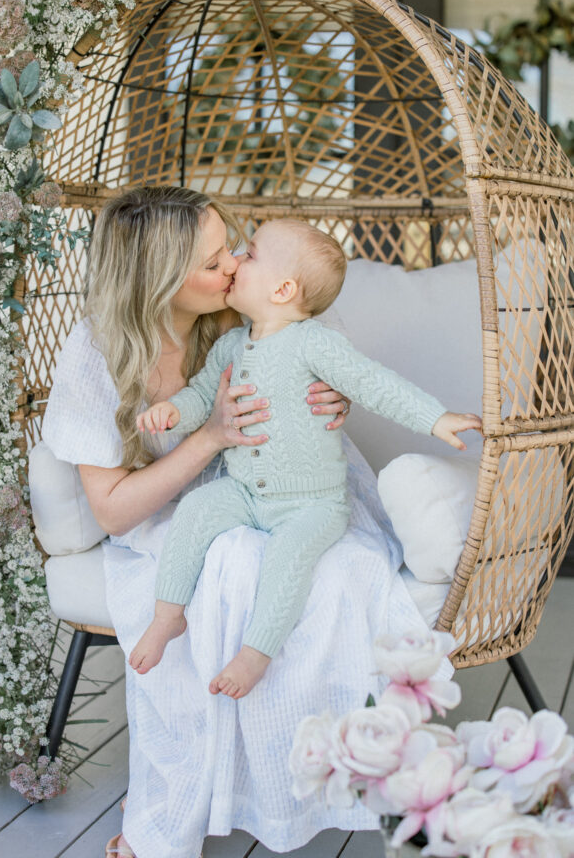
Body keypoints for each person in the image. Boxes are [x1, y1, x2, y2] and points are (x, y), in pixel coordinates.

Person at [41, 187, 475, 858]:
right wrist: (208, 435)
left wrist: (332, 401)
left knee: (334, 570)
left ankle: (301, 782)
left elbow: (342, 369)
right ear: (160, 277)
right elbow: (114, 510)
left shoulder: (239, 319)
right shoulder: (96, 354)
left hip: (295, 491)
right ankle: (188, 788)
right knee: (231, 563)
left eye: (235, 249)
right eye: (216, 259)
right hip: (181, 504)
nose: (234, 263)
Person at [130, 219, 482, 699]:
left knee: (288, 558)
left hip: (310, 505)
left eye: (249, 255)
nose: (236, 261)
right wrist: (173, 411)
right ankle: (167, 616)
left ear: (282, 289)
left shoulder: (315, 343)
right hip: (244, 490)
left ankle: (256, 652)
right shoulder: (231, 345)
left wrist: (435, 418)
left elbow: (374, 383)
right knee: (193, 512)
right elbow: (202, 397)